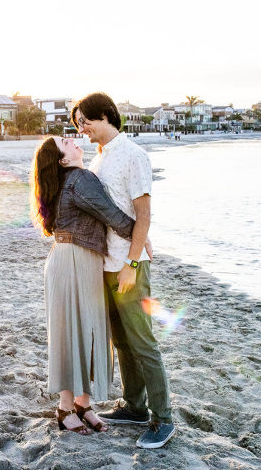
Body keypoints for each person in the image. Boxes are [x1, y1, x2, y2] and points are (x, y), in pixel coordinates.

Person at [71, 92, 176, 449]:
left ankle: (163, 419)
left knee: (143, 342)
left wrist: (133, 262)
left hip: (128, 266)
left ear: (104, 116)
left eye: (84, 121)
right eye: (77, 125)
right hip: (104, 263)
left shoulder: (133, 155)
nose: (81, 129)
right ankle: (135, 407)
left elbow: (143, 214)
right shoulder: (99, 159)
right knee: (123, 342)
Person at [30, 136, 135, 435]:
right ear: (62, 159)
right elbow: (111, 215)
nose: (74, 141)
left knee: (82, 331)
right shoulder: (80, 178)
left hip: (71, 260)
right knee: (75, 332)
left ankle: (83, 404)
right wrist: (142, 236)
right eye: (66, 142)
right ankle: (65, 408)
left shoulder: (68, 181)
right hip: (75, 261)